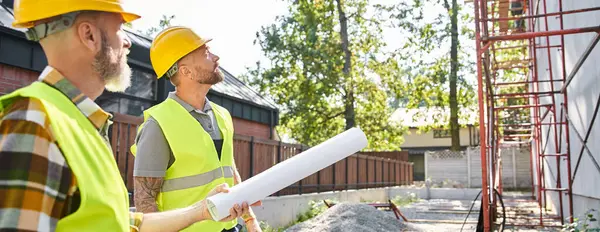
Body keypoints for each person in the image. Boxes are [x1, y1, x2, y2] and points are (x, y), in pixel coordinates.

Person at [0, 1, 249, 231]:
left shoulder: (80, 122)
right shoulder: (34, 120)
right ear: (89, 35)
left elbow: (118, 223)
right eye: (120, 29)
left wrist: (200, 211)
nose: (128, 42)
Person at [130, 26, 262, 232]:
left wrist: (251, 221)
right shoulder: (158, 124)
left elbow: (228, 169)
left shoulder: (222, 115)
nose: (216, 57)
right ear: (185, 71)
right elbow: (145, 201)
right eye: (206, 53)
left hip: (230, 228)